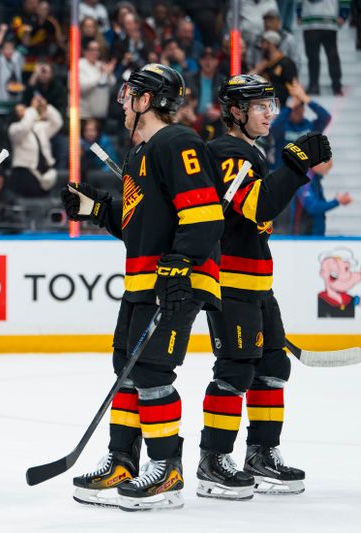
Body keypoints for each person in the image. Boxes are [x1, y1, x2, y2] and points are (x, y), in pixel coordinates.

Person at [62, 63, 224, 511]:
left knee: (151, 372)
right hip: (144, 282)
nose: (121, 100)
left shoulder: (178, 141)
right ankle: (121, 460)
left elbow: (205, 214)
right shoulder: (140, 153)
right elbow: (142, 225)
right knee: (127, 370)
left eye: (128, 93)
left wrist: (181, 264)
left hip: (176, 282)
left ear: (146, 100)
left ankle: (166, 469)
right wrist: (98, 210)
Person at [196, 74, 332, 501]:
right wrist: (295, 162)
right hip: (232, 283)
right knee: (236, 370)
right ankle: (213, 459)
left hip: (257, 282)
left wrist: (290, 163)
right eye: (259, 106)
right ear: (236, 112)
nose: (269, 113)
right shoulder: (229, 151)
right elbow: (258, 206)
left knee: (273, 368)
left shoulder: (249, 150)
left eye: (270, 104)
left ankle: (261, 454)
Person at [8, 95, 62, 198]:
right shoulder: (14, 129)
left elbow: (57, 123)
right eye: (20, 111)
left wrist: (46, 107)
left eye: (25, 109)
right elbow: (25, 127)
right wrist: (32, 109)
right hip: (25, 174)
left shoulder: (39, 127)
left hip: (45, 174)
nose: (24, 112)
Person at [269, 80, 331, 170]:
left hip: (303, 175)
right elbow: (273, 129)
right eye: (295, 108)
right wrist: (289, 108)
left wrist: (306, 99)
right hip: (282, 174)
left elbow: (325, 117)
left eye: (300, 106)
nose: (298, 110)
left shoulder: (310, 126)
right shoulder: (282, 126)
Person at [298, 0, 349, 95]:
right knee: (313, 57)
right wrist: (298, 13)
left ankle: (336, 85)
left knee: (332, 56)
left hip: (327, 21)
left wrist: (343, 14)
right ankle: (314, 85)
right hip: (311, 22)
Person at [292, 159, 352, 236]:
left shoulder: (315, 178)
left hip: (314, 234)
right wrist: (336, 201)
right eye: (327, 161)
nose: (331, 165)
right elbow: (312, 207)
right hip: (304, 237)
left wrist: (338, 200)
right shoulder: (304, 179)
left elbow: (318, 205)